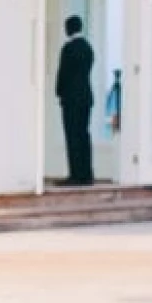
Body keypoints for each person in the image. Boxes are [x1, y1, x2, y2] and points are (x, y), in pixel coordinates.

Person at [55, 14, 97, 185]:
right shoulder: (88, 48)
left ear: (69, 28)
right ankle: (87, 174)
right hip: (86, 97)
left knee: (72, 136)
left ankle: (75, 175)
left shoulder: (68, 48)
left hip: (71, 99)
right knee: (84, 135)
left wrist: (59, 92)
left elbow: (63, 73)